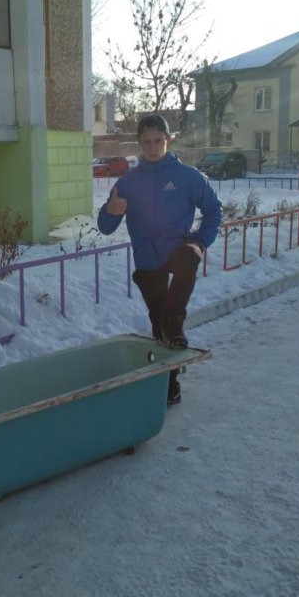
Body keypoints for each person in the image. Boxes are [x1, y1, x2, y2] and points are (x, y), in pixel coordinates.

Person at [97, 114, 222, 405]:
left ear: (168, 140)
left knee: (188, 256)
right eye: (146, 142)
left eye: (158, 141)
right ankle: (169, 382)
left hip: (179, 250)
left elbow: (214, 210)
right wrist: (111, 211)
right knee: (158, 323)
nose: (153, 148)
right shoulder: (129, 182)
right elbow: (105, 226)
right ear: (139, 143)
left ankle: (176, 322)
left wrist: (202, 240)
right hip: (148, 260)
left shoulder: (188, 177)